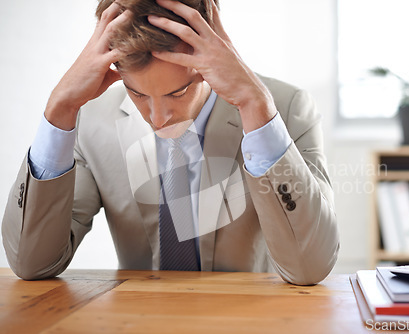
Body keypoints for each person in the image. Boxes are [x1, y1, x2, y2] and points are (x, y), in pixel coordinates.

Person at [1, 0, 339, 285]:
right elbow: (32, 264)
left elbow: (310, 268)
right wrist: (59, 110)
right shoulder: (90, 121)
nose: (158, 117)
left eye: (178, 92)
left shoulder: (286, 108)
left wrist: (257, 110)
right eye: (137, 93)